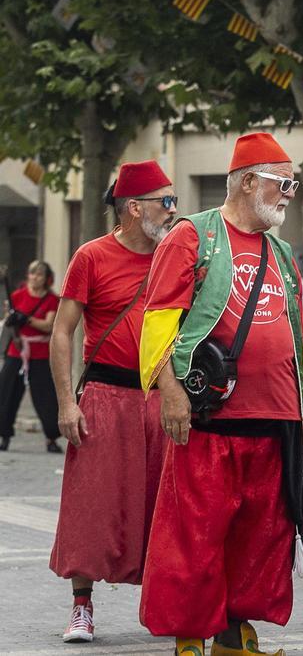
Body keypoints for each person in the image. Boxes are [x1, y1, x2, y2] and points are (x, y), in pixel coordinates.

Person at [137, 132, 303, 656]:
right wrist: (170, 392)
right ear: (246, 181)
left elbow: (300, 336)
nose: (289, 192)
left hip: (275, 420)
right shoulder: (193, 236)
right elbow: (158, 322)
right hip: (210, 419)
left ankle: (235, 633)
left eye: (294, 183)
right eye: (282, 182)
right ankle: (190, 633)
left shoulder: (281, 252)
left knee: (261, 536)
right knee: (194, 533)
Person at [46, 161, 176, 643]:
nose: (174, 211)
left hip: (162, 395)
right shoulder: (91, 256)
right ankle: (82, 608)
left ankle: (165, 602)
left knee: (165, 505)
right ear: (134, 208)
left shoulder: (177, 257)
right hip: (104, 395)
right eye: (166, 201)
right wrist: (66, 403)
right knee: (91, 506)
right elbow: (62, 333)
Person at [0, 260, 61, 452]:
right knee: (6, 394)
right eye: (32, 274)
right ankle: (4, 435)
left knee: (46, 398)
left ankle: (51, 437)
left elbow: (48, 325)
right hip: (16, 352)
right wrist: (10, 319)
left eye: (39, 274)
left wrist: (26, 319)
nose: (35, 278)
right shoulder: (16, 296)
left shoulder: (52, 300)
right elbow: (9, 322)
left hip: (40, 354)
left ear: (46, 279)